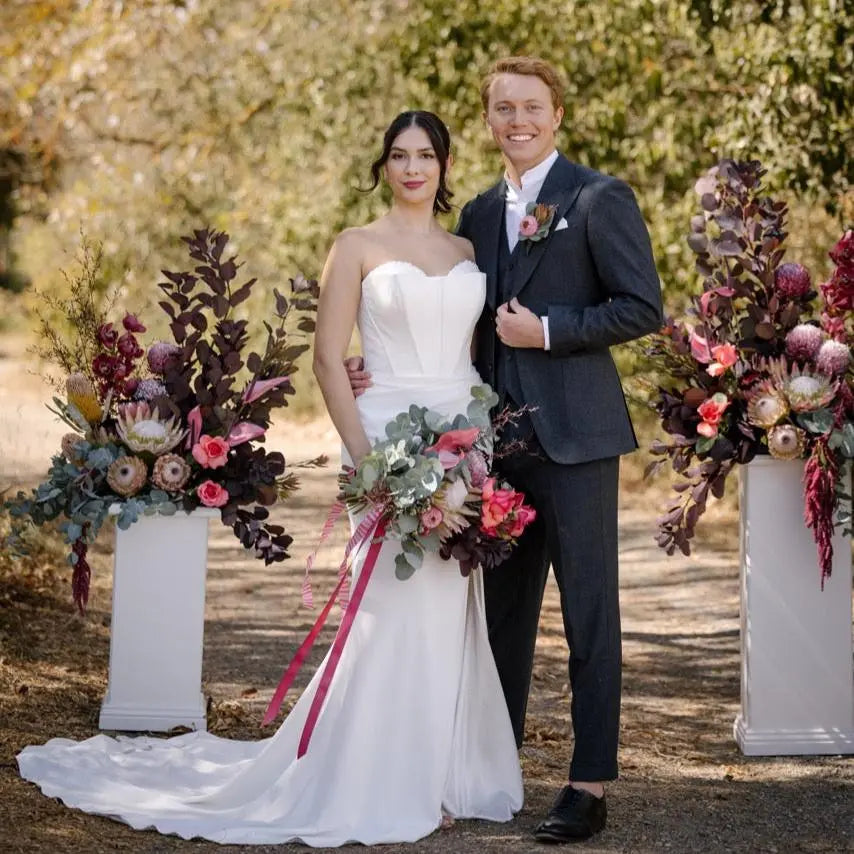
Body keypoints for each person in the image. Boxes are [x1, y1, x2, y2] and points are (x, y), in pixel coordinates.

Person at [16, 111, 523, 846]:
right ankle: (379, 775)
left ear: (445, 166)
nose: (413, 168)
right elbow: (326, 358)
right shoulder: (354, 246)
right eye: (398, 155)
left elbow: (469, 352)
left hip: (461, 437)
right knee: (390, 605)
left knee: (446, 606)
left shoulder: (468, 246)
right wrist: (368, 459)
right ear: (382, 166)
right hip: (383, 437)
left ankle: (439, 773)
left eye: (426, 156)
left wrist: (476, 443)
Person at [348, 57, 663, 843]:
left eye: (530, 106)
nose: (516, 119)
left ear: (557, 114)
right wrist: (375, 364)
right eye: (501, 108)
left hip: (580, 441)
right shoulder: (481, 215)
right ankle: (490, 770)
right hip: (494, 449)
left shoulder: (599, 197)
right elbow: (452, 320)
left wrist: (549, 330)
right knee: (499, 619)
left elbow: (640, 307)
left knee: (590, 614)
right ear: (487, 121)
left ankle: (588, 785)